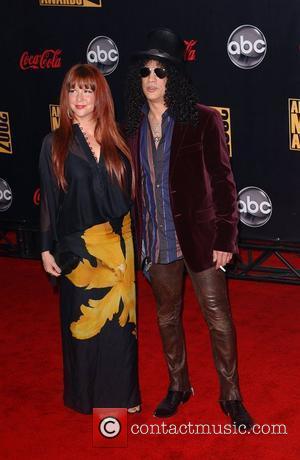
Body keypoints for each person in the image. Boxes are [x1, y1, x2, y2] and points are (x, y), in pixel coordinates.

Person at [125, 28, 253, 428]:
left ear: (174, 78)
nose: (151, 79)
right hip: (156, 239)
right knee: (166, 317)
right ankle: (179, 386)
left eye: (160, 72)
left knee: (218, 318)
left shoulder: (204, 120)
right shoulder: (130, 128)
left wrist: (225, 238)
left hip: (200, 241)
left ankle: (231, 395)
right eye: (145, 71)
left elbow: (224, 183)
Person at [39, 63, 140, 414]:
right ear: (65, 98)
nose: (79, 97)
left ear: (100, 96)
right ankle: (85, 397)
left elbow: (129, 197)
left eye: (87, 90)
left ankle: (123, 398)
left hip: (120, 248)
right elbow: (50, 201)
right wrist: (45, 248)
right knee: (84, 322)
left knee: (119, 329)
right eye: (73, 90)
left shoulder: (119, 138)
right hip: (77, 251)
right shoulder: (55, 143)